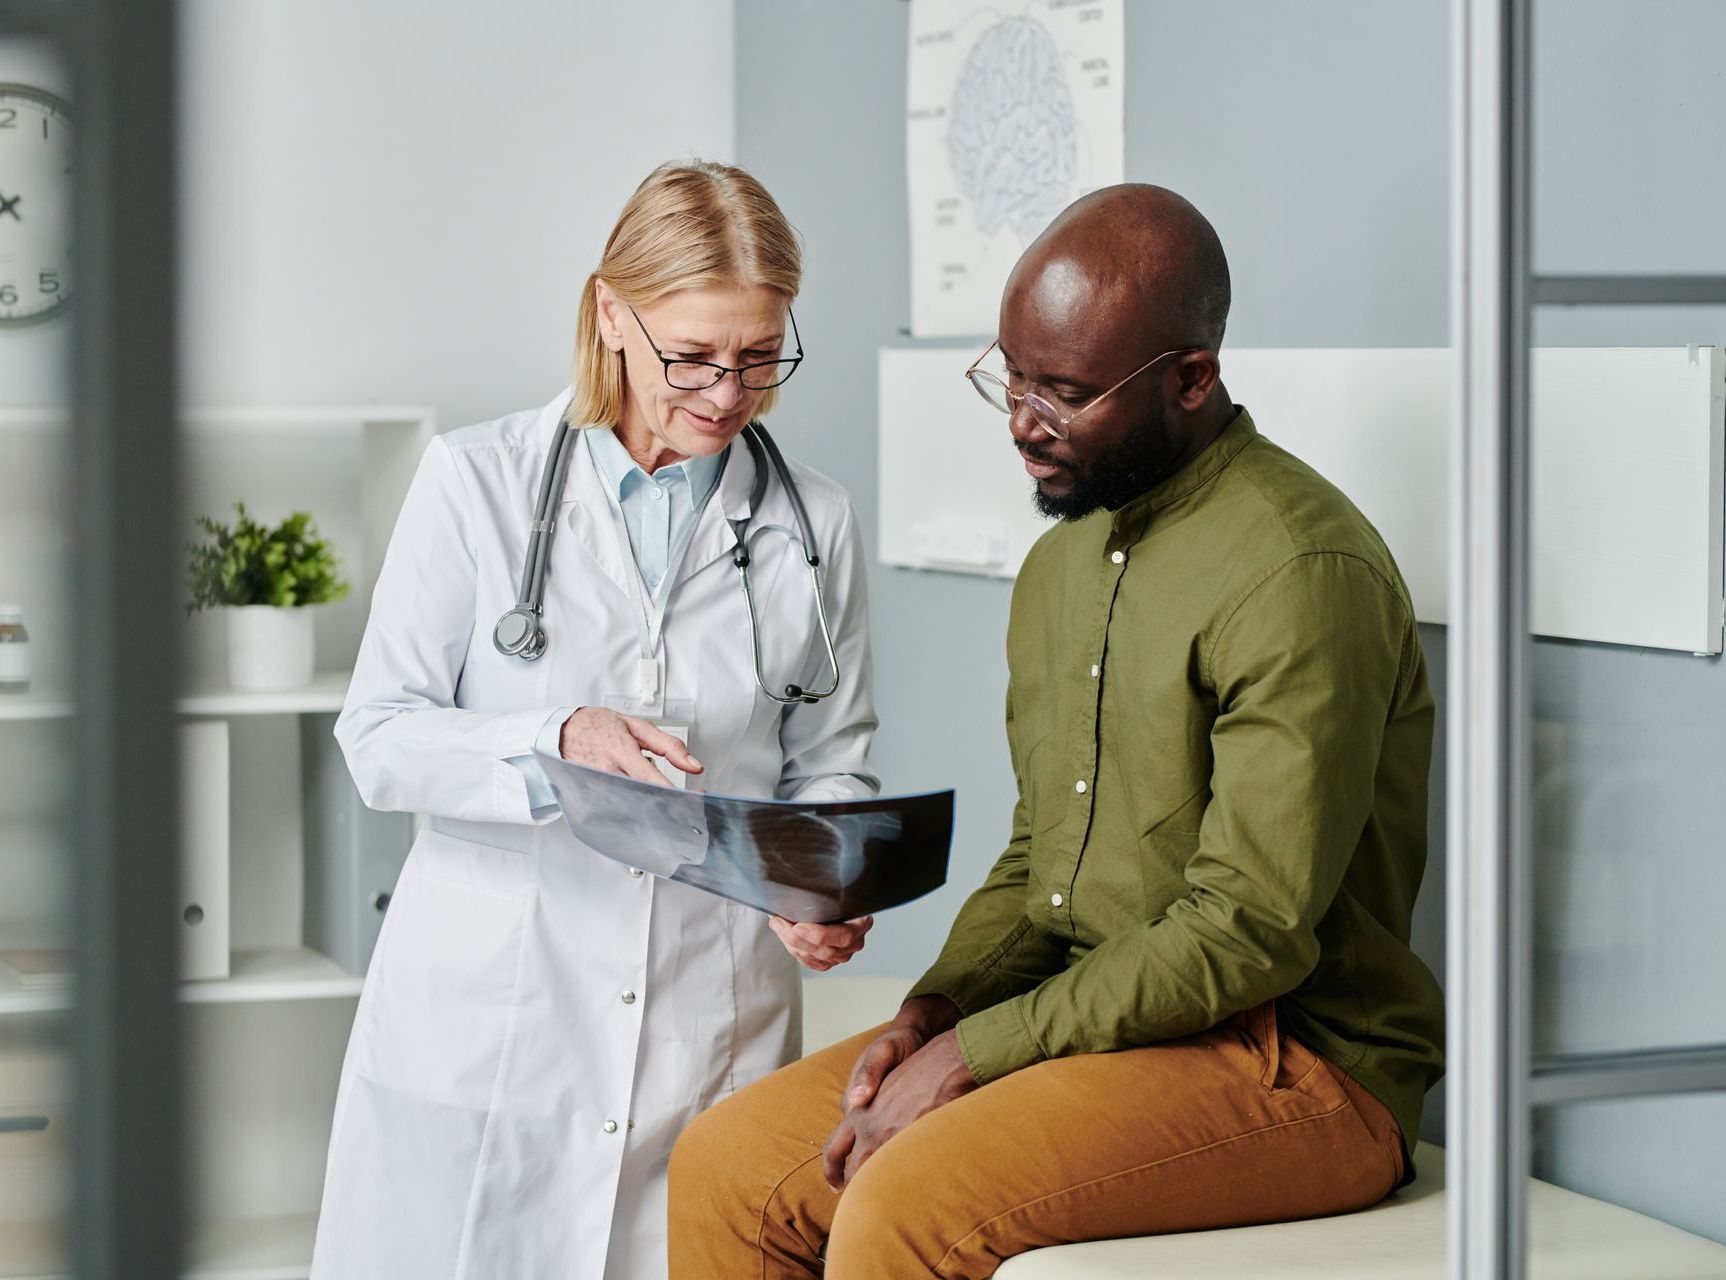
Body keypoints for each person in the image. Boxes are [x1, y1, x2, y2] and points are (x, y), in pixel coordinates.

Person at [668, 184, 1446, 1277]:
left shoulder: (1298, 573)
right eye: (1012, 374)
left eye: (1066, 392)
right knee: (731, 1164)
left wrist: (973, 1052)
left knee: (902, 1206)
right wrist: (934, 1007)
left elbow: (1246, 930)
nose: (1023, 420)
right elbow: (1048, 859)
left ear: (1190, 378)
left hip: (1295, 1059)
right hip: (1103, 1024)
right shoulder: (1062, 564)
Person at [310, 160, 879, 1280]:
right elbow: (378, 736)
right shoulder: (473, 483)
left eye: (761, 356)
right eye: (695, 356)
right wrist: (553, 737)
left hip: (709, 1020)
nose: (728, 392)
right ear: (611, 313)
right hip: (495, 1021)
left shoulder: (813, 519)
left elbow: (832, 759)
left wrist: (824, 874)